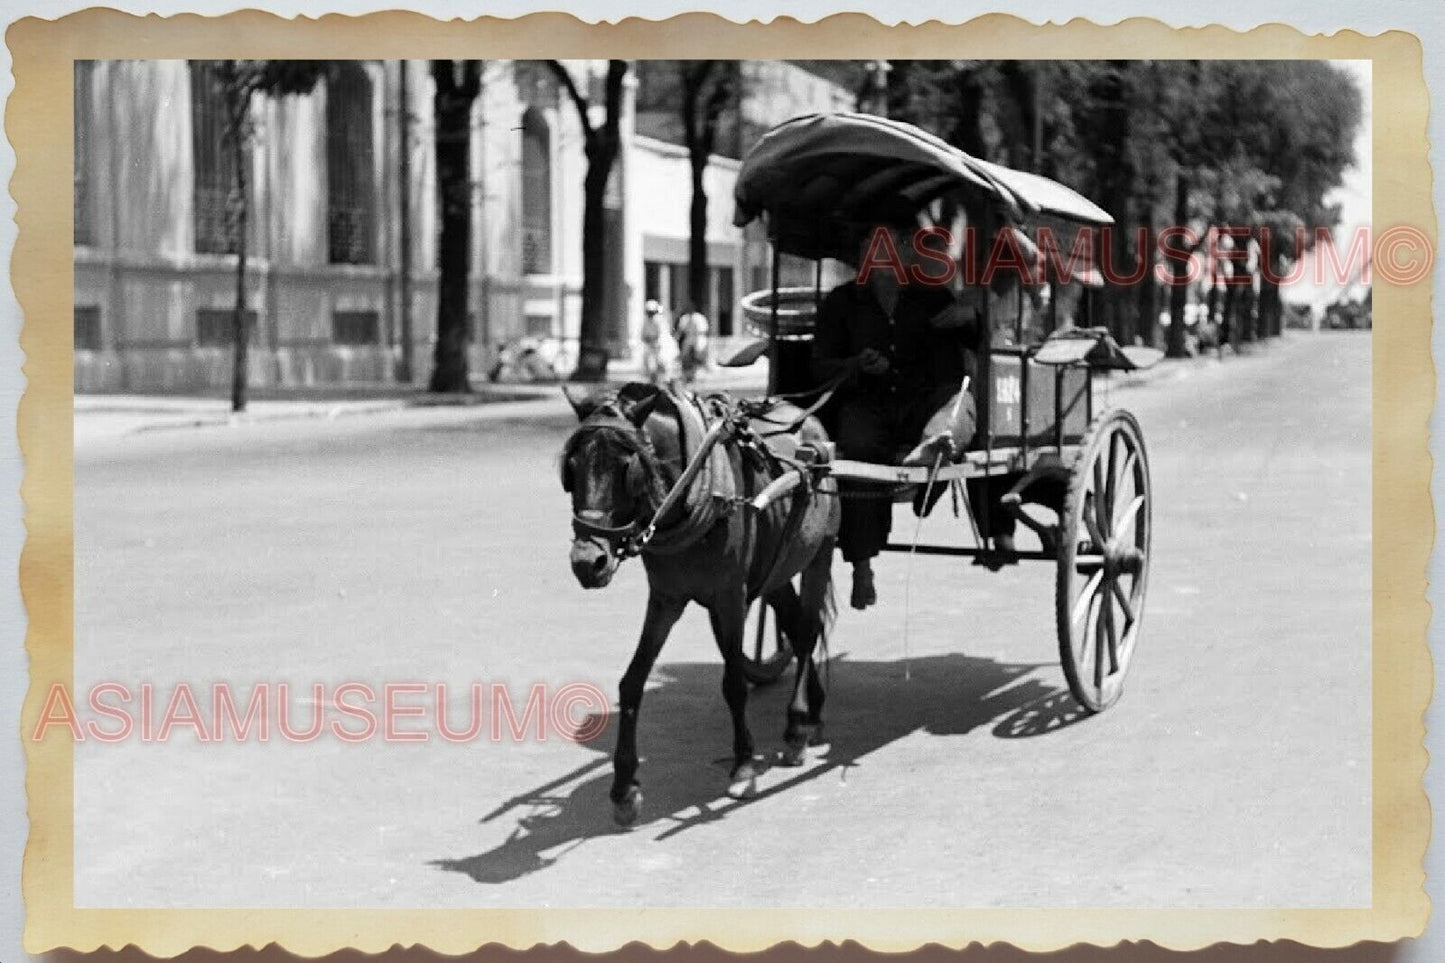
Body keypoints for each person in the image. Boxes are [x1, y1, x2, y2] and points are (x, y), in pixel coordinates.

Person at [812, 226, 982, 610]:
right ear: (863, 256)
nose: (886, 254)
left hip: (923, 404)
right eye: (876, 246)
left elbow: (976, 343)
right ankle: (861, 565)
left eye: (895, 245)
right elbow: (819, 365)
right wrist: (857, 365)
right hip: (867, 404)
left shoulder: (933, 297)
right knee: (854, 451)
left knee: (958, 404)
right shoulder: (842, 303)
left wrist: (971, 318)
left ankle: (937, 449)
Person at [640, 299, 677, 384]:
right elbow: (643, 336)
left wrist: (654, 341)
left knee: (663, 364)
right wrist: (648, 340)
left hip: (663, 346)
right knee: (649, 367)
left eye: (652, 312)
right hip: (651, 347)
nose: (651, 314)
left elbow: (662, 336)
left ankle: (666, 383)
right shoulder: (645, 322)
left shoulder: (660, 321)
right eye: (649, 312)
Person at [674, 304, 711, 384]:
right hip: (689, 337)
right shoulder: (685, 318)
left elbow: (705, 329)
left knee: (699, 356)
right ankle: (687, 376)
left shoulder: (699, 317)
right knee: (685, 356)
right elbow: (680, 331)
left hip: (699, 336)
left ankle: (701, 374)